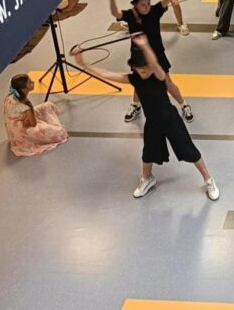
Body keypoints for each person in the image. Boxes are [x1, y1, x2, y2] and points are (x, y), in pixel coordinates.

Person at [72, 36, 219, 201]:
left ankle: (208, 180)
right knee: (148, 154)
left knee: (189, 150)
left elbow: (155, 64)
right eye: (139, 67)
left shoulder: (158, 75)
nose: (143, 70)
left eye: (146, 66)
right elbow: (107, 74)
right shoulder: (134, 79)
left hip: (170, 119)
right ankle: (147, 179)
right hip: (153, 123)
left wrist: (145, 46)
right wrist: (82, 63)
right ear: (134, 67)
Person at [109, 0, 193, 125]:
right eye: (143, 5)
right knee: (139, 84)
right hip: (139, 57)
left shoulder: (155, 11)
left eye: (148, 3)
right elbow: (116, 13)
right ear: (135, 5)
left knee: (167, 82)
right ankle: (136, 105)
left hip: (157, 54)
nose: (146, 7)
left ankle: (184, 105)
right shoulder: (130, 15)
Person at [3, 74, 69, 157]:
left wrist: (26, 117)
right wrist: (27, 118)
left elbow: (13, 112)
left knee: (47, 105)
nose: (33, 82)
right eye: (30, 83)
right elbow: (33, 124)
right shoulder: (26, 104)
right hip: (20, 131)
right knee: (60, 133)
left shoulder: (9, 96)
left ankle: (47, 124)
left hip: (13, 126)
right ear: (24, 89)